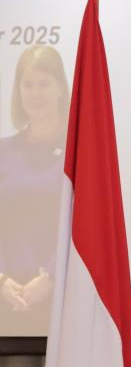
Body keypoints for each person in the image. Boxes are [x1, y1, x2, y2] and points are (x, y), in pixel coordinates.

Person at [0, 45, 70, 332]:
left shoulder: (78, 152)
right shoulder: (4, 152)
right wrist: (2, 281)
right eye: (27, 84)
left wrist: (50, 277)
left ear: (60, 89)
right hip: (7, 302)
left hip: (62, 301)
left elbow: (86, 225)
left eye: (44, 83)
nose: (35, 93)